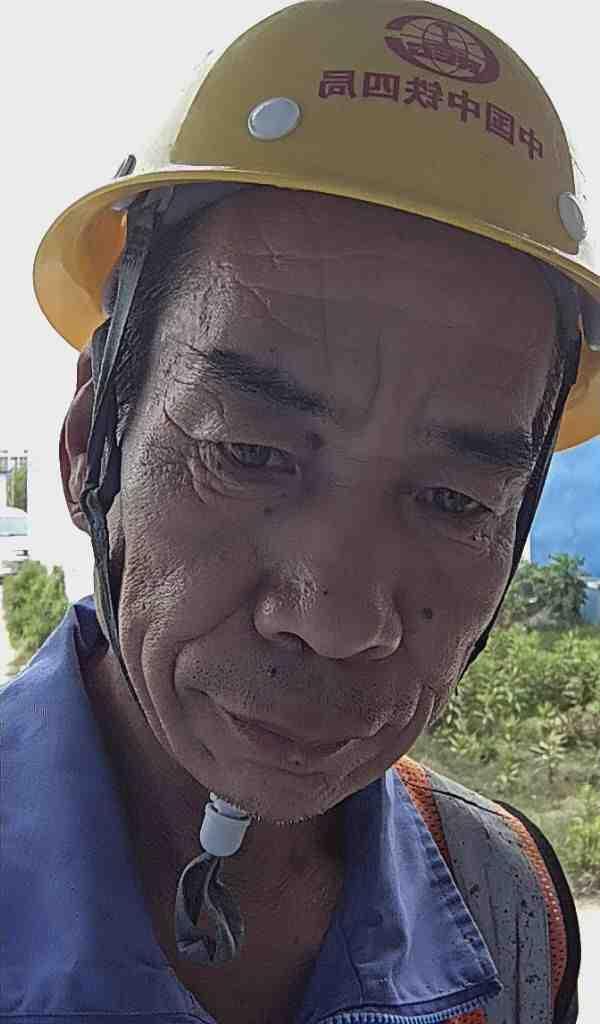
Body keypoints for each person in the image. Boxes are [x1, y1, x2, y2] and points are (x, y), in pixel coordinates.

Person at [3, 2, 599, 1022]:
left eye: (455, 499)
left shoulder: (512, 905)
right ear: (88, 446)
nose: (337, 620)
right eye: (249, 454)